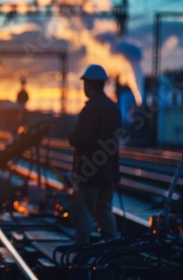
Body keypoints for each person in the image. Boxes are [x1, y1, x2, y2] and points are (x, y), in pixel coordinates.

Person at [68, 64, 120, 246]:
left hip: (90, 173)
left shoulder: (91, 109)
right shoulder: (113, 108)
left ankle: (80, 254)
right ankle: (114, 250)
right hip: (108, 172)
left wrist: (71, 135)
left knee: (84, 213)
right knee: (104, 211)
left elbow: (82, 138)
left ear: (88, 84)